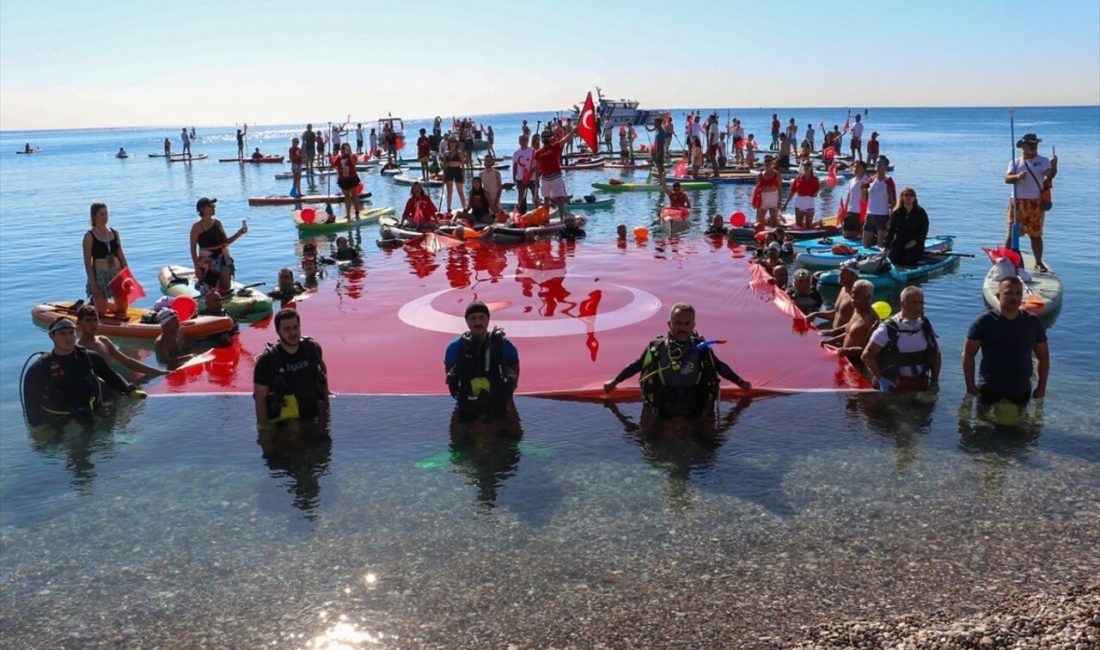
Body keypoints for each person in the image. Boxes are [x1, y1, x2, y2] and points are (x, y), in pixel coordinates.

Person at [603, 303, 751, 425]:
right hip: (663, 404)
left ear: (693, 325)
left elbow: (720, 367)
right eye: (678, 323)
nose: (682, 328)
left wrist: (740, 382)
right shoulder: (657, 348)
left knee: (709, 444)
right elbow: (636, 365)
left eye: (687, 324)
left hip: (695, 403)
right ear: (669, 324)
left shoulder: (702, 349)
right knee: (648, 440)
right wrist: (614, 382)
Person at [22, 319, 147, 427]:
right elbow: (30, 401)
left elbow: (110, 376)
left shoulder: (89, 357)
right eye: (62, 334)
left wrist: (129, 390)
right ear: (51, 336)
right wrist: (36, 425)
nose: (68, 337)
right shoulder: (40, 368)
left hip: (88, 412)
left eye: (71, 332)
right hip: (57, 418)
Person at [963, 275, 1048, 406]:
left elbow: (1043, 356)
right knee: (983, 424)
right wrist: (970, 385)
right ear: (998, 296)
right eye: (1008, 293)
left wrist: (1041, 387)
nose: (1014, 297)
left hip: (1021, 390)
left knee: (1021, 426)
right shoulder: (983, 322)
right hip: (989, 389)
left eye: (1018, 293)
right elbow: (968, 354)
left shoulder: (1033, 322)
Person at [444, 301, 520, 424]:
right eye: (473, 318)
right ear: (467, 321)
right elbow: (449, 373)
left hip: (497, 398)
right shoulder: (454, 347)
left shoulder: (503, 344)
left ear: (488, 319)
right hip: (467, 399)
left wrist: (508, 393)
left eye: (481, 317)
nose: (478, 322)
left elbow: (515, 367)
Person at [254, 309, 329, 424]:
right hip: (283, 425)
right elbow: (260, 401)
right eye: (286, 329)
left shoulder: (313, 349)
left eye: (295, 327)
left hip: (312, 420)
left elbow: (323, 379)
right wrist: (265, 433)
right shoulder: (266, 362)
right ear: (278, 331)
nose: (293, 333)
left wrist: (326, 420)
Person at [862, 286, 940, 393]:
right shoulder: (888, 328)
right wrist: (881, 379)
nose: (918, 307)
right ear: (903, 304)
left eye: (921, 303)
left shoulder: (924, 325)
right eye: (914, 302)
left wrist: (935, 380)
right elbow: (867, 356)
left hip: (919, 385)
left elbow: (936, 355)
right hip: (892, 386)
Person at [1004, 132, 1058, 272]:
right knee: (1011, 234)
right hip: (1017, 202)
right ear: (1023, 146)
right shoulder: (1015, 162)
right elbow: (1007, 179)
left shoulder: (1043, 160)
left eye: (1035, 144)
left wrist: (1054, 166)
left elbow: (1049, 175)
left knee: (1036, 234)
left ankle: (1038, 262)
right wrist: (1018, 176)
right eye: (1030, 144)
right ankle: (1006, 261)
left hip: (1035, 203)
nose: (1034, 146)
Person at [74, 304, 165, 378]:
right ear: (79, 323)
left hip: (112, 382)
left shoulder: (103, 341)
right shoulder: (78, 349)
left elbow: (127, 361)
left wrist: (159, 372)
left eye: (95, 320)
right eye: (88, 320)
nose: (93, 324)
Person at [83, 202, 131, 317]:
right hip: (100, 275)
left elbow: (121, 256)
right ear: (94, 217)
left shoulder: (114, 233)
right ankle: (96, 304)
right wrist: (93, 284)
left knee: (121, 309)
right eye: (101, 214)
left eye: (106, 214)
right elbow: (87, 263)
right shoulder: (89, 236)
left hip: (117, 273)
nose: (105, 217)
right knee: (100, 313)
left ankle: (96, 303)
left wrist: (128, 276)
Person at [190, 197, 246, 294]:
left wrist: (239, 233)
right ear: (202, 209)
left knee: (225, 287)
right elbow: (193, 248)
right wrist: (197, 268)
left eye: (214, 206)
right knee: (211, 288)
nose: (214, 208)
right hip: (208, 259)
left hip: (222, 257)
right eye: (211, 206)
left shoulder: (217, 223)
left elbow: (226, 241)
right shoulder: (197, 227)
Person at [822, 279, 877, 363]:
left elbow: (870, 350)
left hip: (857, 366)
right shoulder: (856, 310)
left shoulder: (871, 320)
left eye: (858, 293)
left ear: (868, 297)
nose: (853, 296)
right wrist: (831, 339)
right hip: (844, 358)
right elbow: (850, 333)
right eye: (853, 292)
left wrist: (847, 351)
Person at [808, 258, 861, 331]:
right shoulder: (843, 289)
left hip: (841, 338)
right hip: (833, 333)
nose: (839, 273)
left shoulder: (857, 297)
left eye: (843, 271)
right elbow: (836, 314)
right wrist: (816, 314)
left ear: (853, 275)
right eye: (840, 270)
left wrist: (833, 333)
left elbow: (856, 324)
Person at [535, 125, 574, 220]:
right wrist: (536, 179)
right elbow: (537, 167)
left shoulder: (555, 146)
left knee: (560, 197)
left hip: (556, 176)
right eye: (543, 137)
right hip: (545, 178)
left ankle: (561, 218)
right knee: (546, 199)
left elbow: (565, 139)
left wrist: (573, 130)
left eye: (546, 136)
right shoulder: (538, 152)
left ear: (550, 137)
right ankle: (546, 219)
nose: (545, 138)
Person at [884, 187, 928, 267]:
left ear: (914, 198)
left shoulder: (920, 212)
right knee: (892, 259)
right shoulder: (897, 212)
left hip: (915, 242)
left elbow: (924, 230)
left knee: (907, 261)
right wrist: (886, 245)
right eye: (906, 195)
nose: (909, 197)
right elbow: (892, 230)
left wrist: (915, 241)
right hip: (900, 241)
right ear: (902, 197)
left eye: (911, 195)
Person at [862, 156, 896, 248]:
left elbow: (894, 203)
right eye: (877, 163)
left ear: (885, 166)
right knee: (865, 244)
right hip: (870, 215)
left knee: (880, 244)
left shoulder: (888, 181)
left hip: (882, 216)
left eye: (880, 163)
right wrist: (863, 189)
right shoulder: (870, 180)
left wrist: (890, 220)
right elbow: (864, 199)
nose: (877, 165)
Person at [782, 161, 821, 229]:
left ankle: (818, 223)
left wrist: (819, 188)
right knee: (798, 226)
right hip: (799, 202)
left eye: (808, 165)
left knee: (809, 226)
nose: (806, 167)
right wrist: (786, 204)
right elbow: (792, 192)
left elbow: (814, 195)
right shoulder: (798, 178)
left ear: (811, 167)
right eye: (805, 165)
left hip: (809, 202)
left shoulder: (815, 180)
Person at [331, 143, 361, 219]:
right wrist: (330, 158)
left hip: (352, 178)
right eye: (343, 148)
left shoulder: (352, 156)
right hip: (343, 180)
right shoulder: (339, 157)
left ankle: (357, 212)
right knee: (346, 197)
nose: (344, 150)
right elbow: (333, 166)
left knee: (354, 196)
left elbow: (354, 163)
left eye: (346, 148)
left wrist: (349, 154)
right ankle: (348, 214)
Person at [841, 160, 868, 240]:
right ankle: (856, 235)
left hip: (862, 212)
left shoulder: (867, 180)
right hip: (851, 211)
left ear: (863, 169)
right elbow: (848, 196)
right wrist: (844, 211)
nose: (855, 169)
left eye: (858, 167)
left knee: (862, 235)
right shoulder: (851, 181)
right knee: (846, 236)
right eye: (854, 167)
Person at [753, 155, 782, 226]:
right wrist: (754, 201)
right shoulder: (760, 175)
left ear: (772, 162)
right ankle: (767, 221)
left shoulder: (777, 174)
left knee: (774, 222)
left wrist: (780, 201)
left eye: (769, 161)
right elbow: (756, 190)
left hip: (773, 198)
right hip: (763, 199)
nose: (767, 163)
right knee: (758, 221)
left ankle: (775, 220)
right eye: (766, 161)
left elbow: (779, 189)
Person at [442, 137, 467, 214]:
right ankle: (449, 208)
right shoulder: (446, 153)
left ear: (456, 143)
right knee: (449, 191)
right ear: (449, 143)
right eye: (451, 142)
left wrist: (463, 175)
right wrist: (444, 176)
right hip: (449, 171)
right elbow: (444, 166)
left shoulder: (459, 152)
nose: (452, 143)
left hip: (457, 170)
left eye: (454, 142)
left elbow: (463, 165)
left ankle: (464, 208)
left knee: (460, 190)